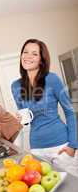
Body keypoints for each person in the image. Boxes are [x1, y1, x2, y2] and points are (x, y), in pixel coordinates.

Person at [11, 39, 78, 177]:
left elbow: (70, 113)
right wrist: (20, 119)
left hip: (61, 146)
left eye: (34, 54)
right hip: (36, 149)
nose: (28, 56)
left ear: (41, 60)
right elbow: (27, 119)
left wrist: (73, 145)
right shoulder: (15, 86)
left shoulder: (52, 79)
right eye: (25, 52)